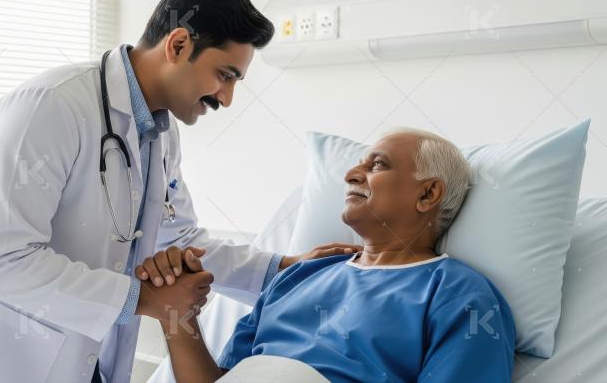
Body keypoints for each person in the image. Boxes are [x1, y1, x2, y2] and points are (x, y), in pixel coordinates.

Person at [0, 0, 358, 383]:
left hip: (79, 354)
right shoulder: (50, 105)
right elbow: (1, 261)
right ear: (178, 45)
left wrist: (283, 270)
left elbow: (180, 240)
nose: (228, 98)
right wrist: (143, 298)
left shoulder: (159, 131)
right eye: (224, 75)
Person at [161, 129, 516, 382]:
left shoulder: (461, 296)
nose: (350, 174)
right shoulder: (300, 276)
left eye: (377, 165)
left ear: (428, 194)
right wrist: (177, 318)